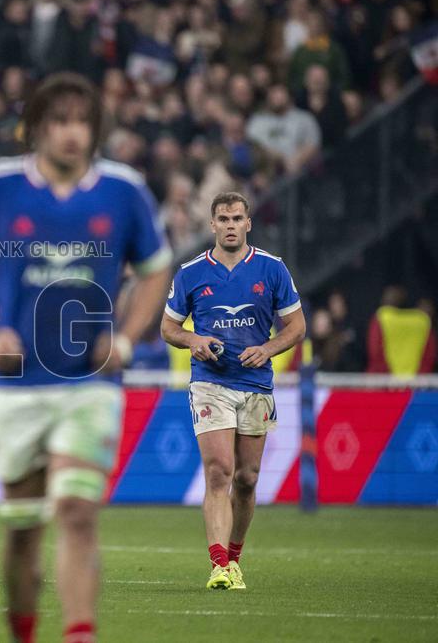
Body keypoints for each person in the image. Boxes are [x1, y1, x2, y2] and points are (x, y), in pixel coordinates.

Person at [0, 72, 173, 643]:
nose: (72, 133)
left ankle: (79, 633)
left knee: (76, 511)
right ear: (36, 128)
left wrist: (126, 337)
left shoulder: (124, 189)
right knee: (22, 529)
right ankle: (24, 632)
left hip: (89, 384)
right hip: (15, 386)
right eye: (59, 121)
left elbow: (156, 268)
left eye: (83, 122)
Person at [160, 191, 306, 590]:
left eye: (236, 218)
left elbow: (296, 327)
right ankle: (219, 565)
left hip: (256, 384)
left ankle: (235, 557)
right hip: (211, 383)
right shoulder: (190, 273)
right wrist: (194, 342)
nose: (229, 225)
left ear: (248, 223)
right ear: (212, 225)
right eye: (222, 219)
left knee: (247, 477)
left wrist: (268, 348)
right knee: (219, 470)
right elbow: (168, 328)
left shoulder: (272, 269)